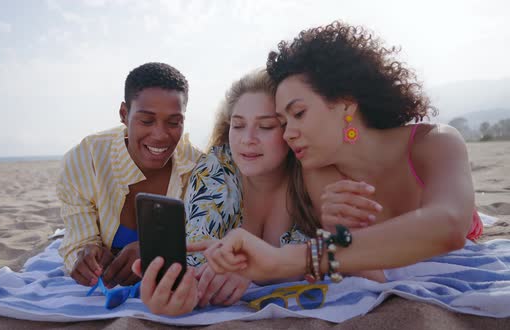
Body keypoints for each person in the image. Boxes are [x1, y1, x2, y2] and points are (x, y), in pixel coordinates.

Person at [190, 21, 483, 284]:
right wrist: (337, 232)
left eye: (299, 113)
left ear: (346, 104)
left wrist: (288, 259)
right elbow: (368, 272)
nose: (288, 132)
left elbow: (448, 226)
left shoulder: (437, 142)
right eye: (282, 122)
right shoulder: (318, 172)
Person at [131, 69, 329, 316]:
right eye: (238, 125)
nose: (247, 139)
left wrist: (251, 268)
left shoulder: (314, 175)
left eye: (266, 126)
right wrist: (173, 295)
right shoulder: (216, 169)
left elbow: (342, 256)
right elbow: (195, 259)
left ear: (291, 130)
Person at [57, 62, 202, 288]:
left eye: (174, 122)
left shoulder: (199, 170)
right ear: (124, 114)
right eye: (146, 121)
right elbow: (78, 241)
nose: (160, 135)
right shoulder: (87, 159)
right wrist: (85, 257)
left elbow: (210, 241)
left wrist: (159, 252)